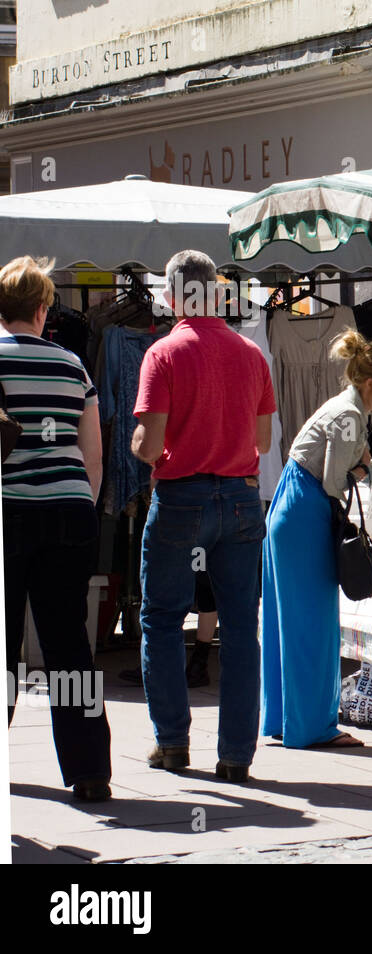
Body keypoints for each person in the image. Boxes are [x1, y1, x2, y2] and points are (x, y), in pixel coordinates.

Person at [132, 250, 274, 783]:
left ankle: (172, 742)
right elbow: (262, 441)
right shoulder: (250, 354)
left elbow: (148, 446)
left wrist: (140, 443)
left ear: (172, 296)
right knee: (241, 627)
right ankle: (236, 755)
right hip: (239, 497)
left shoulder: (163, 353)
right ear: (216, 292)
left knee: (163, 619)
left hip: (181, 497)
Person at [261, 329, 372, 749]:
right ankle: (312, 727)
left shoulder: (345, 409)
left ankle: (284, 718)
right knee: (313, 622)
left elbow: (363, 470)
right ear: (371, 384)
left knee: (285, 619)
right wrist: (366, 470)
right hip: (308, 509)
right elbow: (336, 479)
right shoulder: (351, 417)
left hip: (292, 506)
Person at [1, 255, 113, 802]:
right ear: (44, 308)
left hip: (7, 511)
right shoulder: (73, 366)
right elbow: (93, 456)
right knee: (69, 645)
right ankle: (90, 769)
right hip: (70, 511)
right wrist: (81, 506)